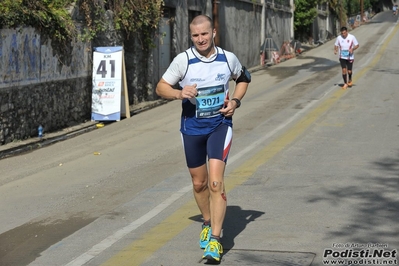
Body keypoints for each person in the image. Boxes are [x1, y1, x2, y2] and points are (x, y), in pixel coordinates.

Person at [156, 14, 251, 262]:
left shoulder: (227, 58)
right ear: (191, 36)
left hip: (220, 125)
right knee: (199, 183)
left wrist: (236, 101)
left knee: (215, 183)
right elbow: (160, 87)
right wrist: (179, 93)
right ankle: (207, 222)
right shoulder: (183, 61)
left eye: (204, 34)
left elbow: (243, 78)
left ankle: (216, 241)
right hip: (192, 128)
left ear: (213, 33)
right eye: (196, 35)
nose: (200, 39)